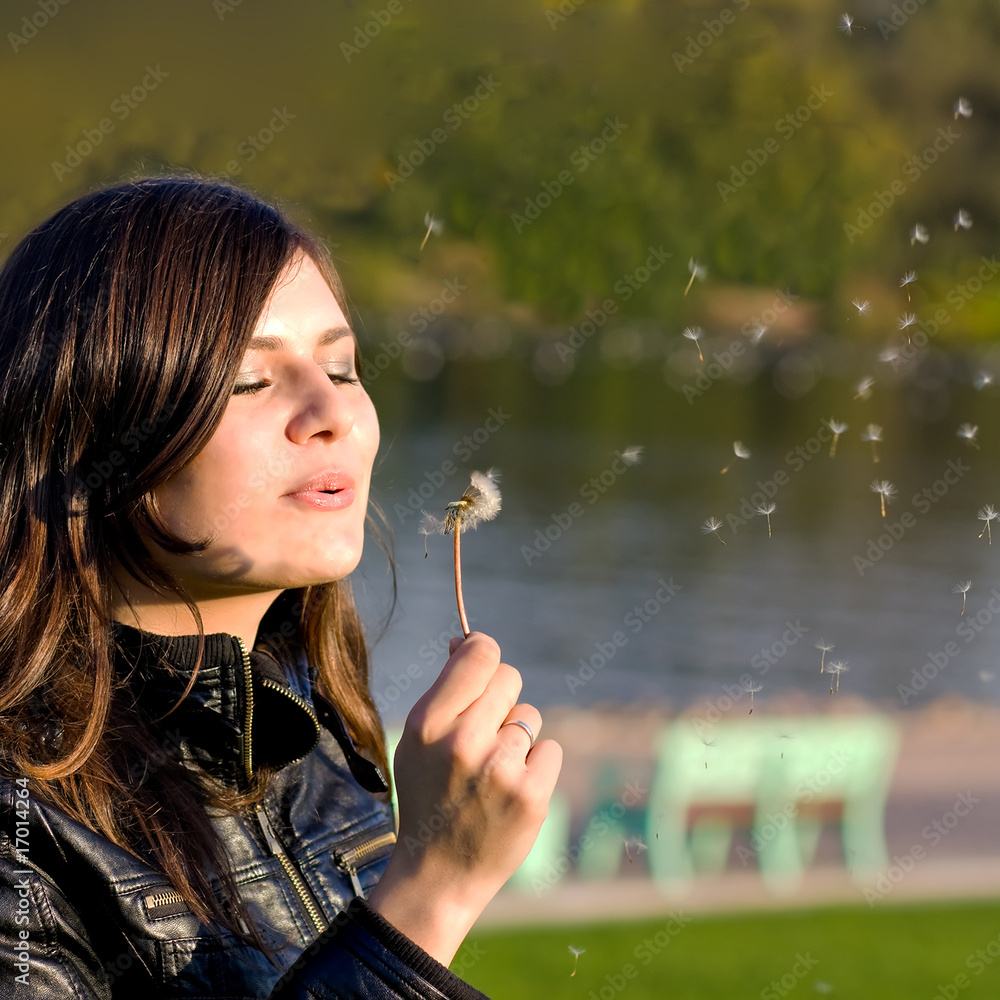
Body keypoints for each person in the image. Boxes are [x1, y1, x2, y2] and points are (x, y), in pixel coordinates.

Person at [0, 175, 562, 998]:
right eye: (249, 382)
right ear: (90, 436)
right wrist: (433, 892)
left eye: (341, 367)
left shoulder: (318, 730)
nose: (332, 412)